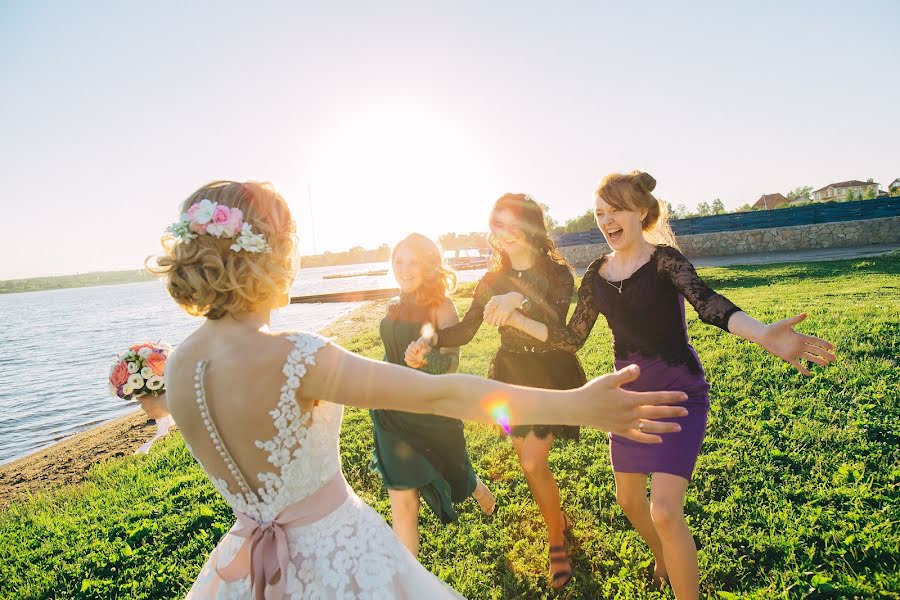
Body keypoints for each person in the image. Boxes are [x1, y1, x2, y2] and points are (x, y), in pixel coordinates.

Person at [150, 180, 688, 599]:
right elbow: (442, 395)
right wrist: (577, 404)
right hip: (338, 555)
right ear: (269, 254)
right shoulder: (294, 356)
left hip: (241, 565)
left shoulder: (181, 364)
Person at [486, 171, 836, 599]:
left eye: (616, 210)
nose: (607, 220)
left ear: (641, 212)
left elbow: (709, 304)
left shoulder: (665, 261)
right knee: (629, 500)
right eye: (600, 213)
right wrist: (519, 318)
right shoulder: (596, 274)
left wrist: (763, 333)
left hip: (677, 391)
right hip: (629, 399)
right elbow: (571, 339)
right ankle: (663, 556)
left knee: (665, 512)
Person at [405, 193, 586, 590]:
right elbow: (467, 330)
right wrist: (430, 338)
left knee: (534, 462)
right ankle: (559, 519)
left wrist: (517, 299)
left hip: (550, 372)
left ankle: (556, 540)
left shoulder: (557, 273)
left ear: (531, 227)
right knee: (527, 460)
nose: (501, 234)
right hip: (509, 375)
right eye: (495, 225)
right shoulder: (490, 280)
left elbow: (557, 321)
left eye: (509, 224)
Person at [370, 233, 495, 558]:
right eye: (398, 261)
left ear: (428, 265)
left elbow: (452, 362)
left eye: (413, 262)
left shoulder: (442, 306)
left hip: (431, 407)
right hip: (392, 410)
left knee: (453, 470)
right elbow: (389, 354)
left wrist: (425, 358)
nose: (404, 269)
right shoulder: (392, 305)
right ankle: (408, 581)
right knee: (403, 499)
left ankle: (475, 487)